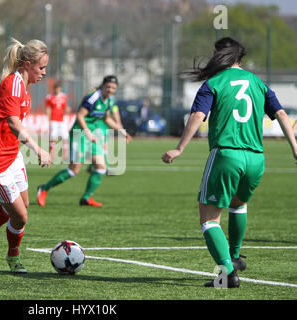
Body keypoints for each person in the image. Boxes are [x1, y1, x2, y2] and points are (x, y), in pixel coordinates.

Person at [161, 37, 297, 288]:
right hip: (256, 158)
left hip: (227, 155)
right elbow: (280, 113)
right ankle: (235, 256)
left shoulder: (214, 82)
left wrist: (180, 148)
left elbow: (198, 115)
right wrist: (295, 147)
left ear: (218, 56)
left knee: (209, 220)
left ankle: (227, 275)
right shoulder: (259, 83)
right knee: (238, 203)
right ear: (240, 58)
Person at [0, 38, 50, 273]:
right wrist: (38, 149)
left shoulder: (23, 86)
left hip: (12, 156)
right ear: (27, 64)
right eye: (42, 67)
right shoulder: (13, 84)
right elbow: (14, 124)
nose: (44, 73)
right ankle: (13, 257)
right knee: (21, 217)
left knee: (23, 205)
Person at [37, 75, 131, 208]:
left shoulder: (109, 100)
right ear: (103, 86)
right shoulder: (92, 97)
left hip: (92, 135)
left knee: (101, 168)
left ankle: (86, 198)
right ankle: (44, 188)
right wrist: (87, 132)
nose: (110, 90)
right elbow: (80, 116)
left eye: (113, 88)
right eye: (108, 87)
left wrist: (121, 131)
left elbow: (107, 119)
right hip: (79, 133)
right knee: (74, 170)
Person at [45, 81, 70, 161]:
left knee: (65, 137)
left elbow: (65, 107)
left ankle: (65, 155)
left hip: (61, 120)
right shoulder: (50, 97)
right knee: (53, 137)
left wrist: (67, 110)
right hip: (53, 121)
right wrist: (48, 120)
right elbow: (48, 109)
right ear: (54, 89)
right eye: (56, 88)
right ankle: (52, 155)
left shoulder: (64, 96)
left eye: (59, 88)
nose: (57, 90)